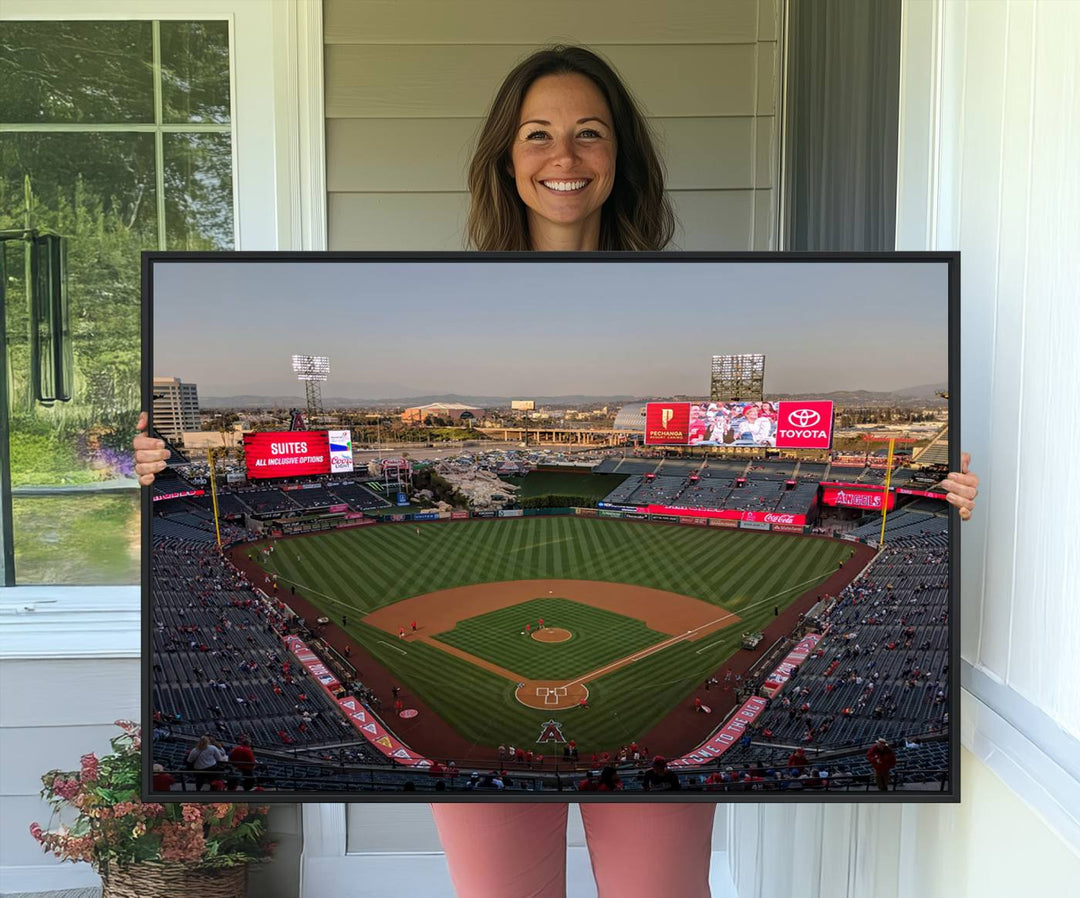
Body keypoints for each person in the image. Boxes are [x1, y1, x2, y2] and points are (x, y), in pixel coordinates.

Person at [134, 43, 981, 898]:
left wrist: (944, 493)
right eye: (537, 134)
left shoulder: (687, 296)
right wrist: (150, 463)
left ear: (621, 157)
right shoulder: (446, 291)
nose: (564, 157)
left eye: (590, 133)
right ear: (507, 157)